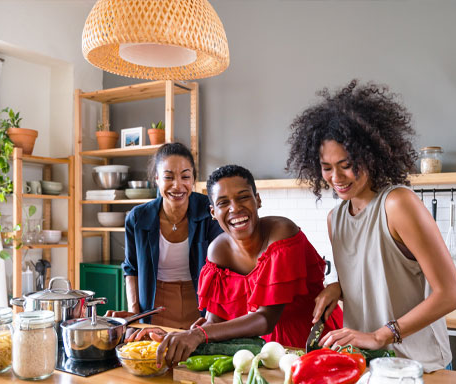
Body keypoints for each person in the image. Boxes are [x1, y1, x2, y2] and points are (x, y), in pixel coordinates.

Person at [285, 80, 456, 372]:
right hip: (367, 364)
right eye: (326, 167)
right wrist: (338, 288)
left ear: (370, 155)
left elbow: (451, 293)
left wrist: (380, 335)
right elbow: (375, 275)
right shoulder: (336, 219)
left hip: (419, 366)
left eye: (346, 164)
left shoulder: (397, 204)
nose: (336, 177)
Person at [148, 165, 342, 366]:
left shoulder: (282, 233)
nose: (235, 208)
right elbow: (215, 320)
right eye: (223, 202)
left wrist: (200, 334)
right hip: (258, 352)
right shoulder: (217, 251)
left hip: (315, 342)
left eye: (243, 197)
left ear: (257, 200)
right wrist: (196, 332)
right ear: (213, 212)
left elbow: (266, 319)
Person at [106, 142, 223, 330]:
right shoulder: (137, 218)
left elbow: (223, 268)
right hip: (155, 307)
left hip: (202, 307)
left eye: (185, 176)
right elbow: (132, 269)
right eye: (169, 177)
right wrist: (136, 314)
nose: (178, 186)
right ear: (157, 179)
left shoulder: (210, 212)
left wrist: (215, 318)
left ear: (193, 178)